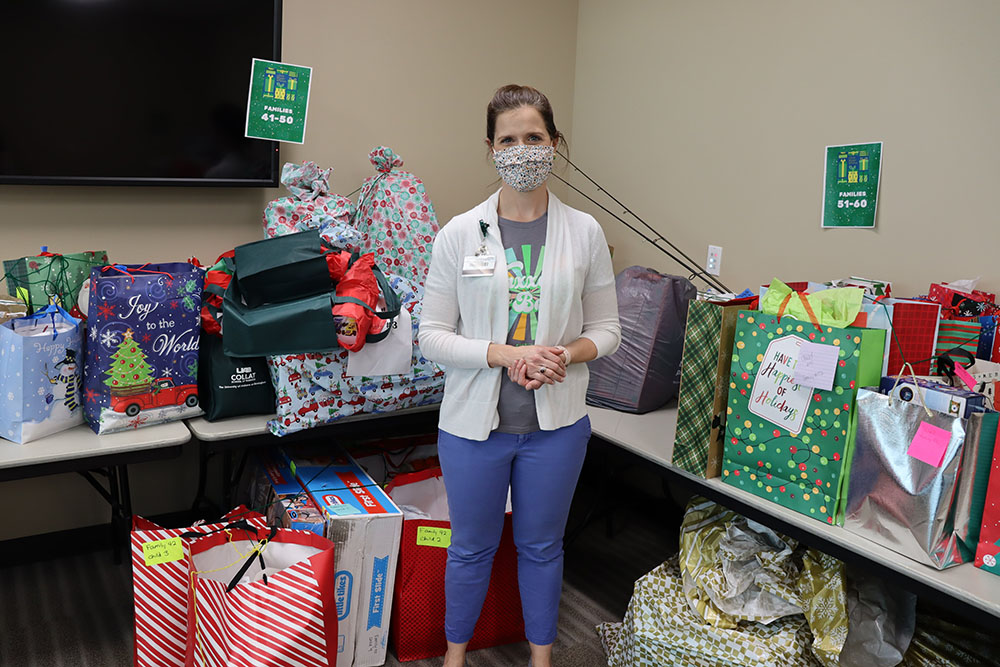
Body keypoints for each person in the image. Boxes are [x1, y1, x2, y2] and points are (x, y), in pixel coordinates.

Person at [419, 84, 621, 667]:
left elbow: (608, 329)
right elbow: (431, 335)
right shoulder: (460, 234)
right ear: (490, 149)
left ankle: (542, 659)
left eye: (534, 137)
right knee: (470, 549)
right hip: (472, 428)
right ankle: (455, 657)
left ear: (555, 142)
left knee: (541, 548)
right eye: (508, 140)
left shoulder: (584, 232)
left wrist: (564, 354)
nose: (522, 150)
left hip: (556, 429)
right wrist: (505, 355)